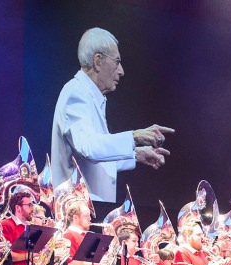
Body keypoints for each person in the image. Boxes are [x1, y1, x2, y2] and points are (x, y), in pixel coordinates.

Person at [51, 27, 173, 202]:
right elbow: (89, 147)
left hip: (88, 209)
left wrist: (136, 154)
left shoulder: (91, 95)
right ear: (98, 61)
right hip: (75, 212)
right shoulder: (76, 92)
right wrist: (135, 136)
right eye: (117, 62)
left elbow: (96, 160)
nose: (121, 71)